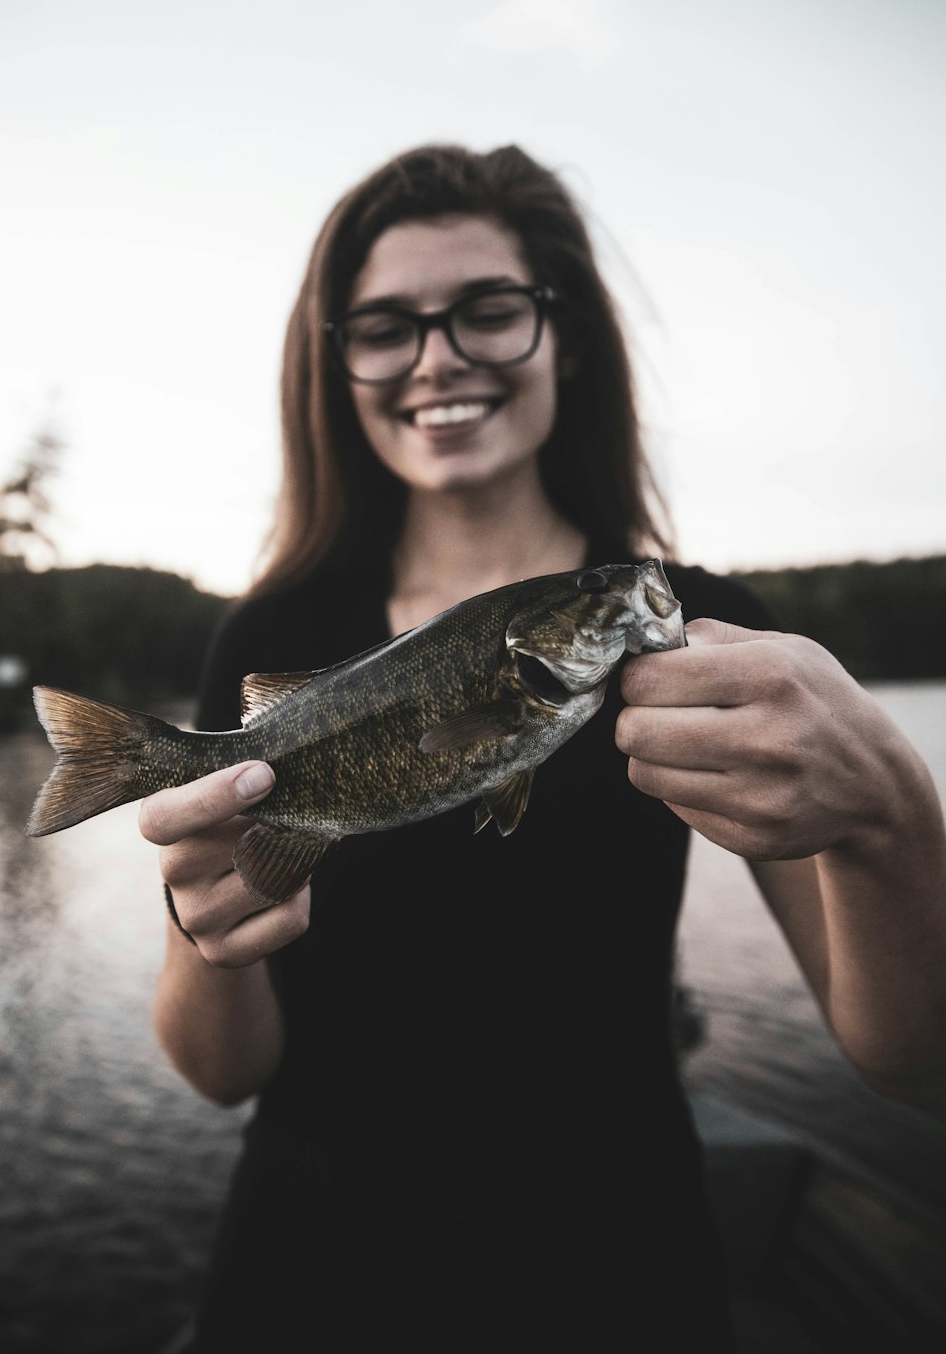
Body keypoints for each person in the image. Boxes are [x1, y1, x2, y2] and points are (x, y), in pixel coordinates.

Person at [144, 144, 946, 1350]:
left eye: (487, 310)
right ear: (339, 367)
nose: (436, 356)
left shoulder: (706, 630)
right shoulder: (273, 636)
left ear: (562, 334)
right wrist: (213, 938)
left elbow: (909, 1061)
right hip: (316, 1260)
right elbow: (218, 1073)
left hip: (611, 1261)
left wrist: (893, 820)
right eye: (382, 327)